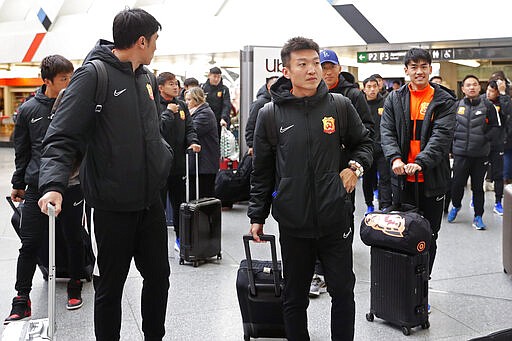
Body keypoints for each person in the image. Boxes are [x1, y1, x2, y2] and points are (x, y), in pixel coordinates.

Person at [37, 8, 173, 341]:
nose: (156, 46)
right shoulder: (93, 75)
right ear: (142, 41)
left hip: (149, 202)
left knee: (159, 278)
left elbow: (151, 130)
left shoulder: (145, 78)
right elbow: (62, 135)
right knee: (110, 287)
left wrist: (162, 156)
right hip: (112, 206)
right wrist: (53, 185)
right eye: (154, 40)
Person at [248, 36, 372, 341]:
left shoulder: (339, 106)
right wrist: (257, 215)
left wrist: (355, 167)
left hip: (336, 217)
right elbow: (262, 170)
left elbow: (366, 143)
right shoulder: (270, 114)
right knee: (295, 295)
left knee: (343, 292)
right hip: (293, 220)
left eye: (315, 63)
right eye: (302, 64)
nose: (312, 69)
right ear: (287, 71)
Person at [4, 54, 86, 324]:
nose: (68, 83)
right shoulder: (28, 110)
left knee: (74, 237)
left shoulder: (74, 105)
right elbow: (23, 151)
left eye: (70, 78)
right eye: (64, 79)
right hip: (37, 186)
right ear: (47, 80)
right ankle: (21, 298)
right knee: (29, 243)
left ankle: (75, 283)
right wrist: (18, 183)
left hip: (72, 185)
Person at [381, 48, 456, 278]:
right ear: (406, 71)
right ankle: (403, 285)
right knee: (403, 232)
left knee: (429, 234)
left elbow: (441, 138)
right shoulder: (395, 98)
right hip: (403, 180)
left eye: (424, 66)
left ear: (430, 69)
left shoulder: (444, 99)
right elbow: (387, 131)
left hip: (431, 180)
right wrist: (395, 158)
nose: (419, 71)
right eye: (414, 67)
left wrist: (421, 162)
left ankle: (423, 283)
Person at [308, 48, 374, 298]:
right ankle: (316, 271)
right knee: (314, 217)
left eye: (330, 67)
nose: (325, 72)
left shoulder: (353, 95)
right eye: (321, 66)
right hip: (317, 171)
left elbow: (367, 131)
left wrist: (353, 163)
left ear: (338, 68)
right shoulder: (311, 94)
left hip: (345, 170)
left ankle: (335, 270)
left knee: (342, 217)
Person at [447, 75, 500, 230]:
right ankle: (456, 205)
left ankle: (478, 216)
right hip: (460, 154)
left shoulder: (488, 106)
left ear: (479, 87)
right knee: (457, 184)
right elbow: (449, 128)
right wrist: (451, 148)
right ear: (463, 89)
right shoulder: (456, 106)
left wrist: (485, 139)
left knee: (478, 187)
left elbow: (496, 127)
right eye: (468, 85)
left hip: (480, 155)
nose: (472, 87)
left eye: (475, 84)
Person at [158, 72, 200, 251]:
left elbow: (190, 128)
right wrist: (168, 112)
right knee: (158, 207)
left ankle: (181, 239)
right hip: (159, 166)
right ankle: (157, 242)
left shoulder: (182, 105)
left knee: (179, 204)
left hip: (179, 165)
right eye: (170, 84)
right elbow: (157, 130)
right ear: (160, 88)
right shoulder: (154, 105)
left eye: (176, 84)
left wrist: (193, 141)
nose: (176, 87)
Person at [362, 76, 392, 213]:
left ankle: (385, 206)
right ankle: (369, 204)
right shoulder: (360, 105)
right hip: (366, 150)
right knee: (368, 179)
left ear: (379, 87)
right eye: (369, 87)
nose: (372, 89)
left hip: (382, 148)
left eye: (374, 86)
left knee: (385, 179)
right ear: (364, 89)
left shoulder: (386, 103)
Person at [184, 87, 220, 199]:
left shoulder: (205, 114)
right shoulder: (197, 112)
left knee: (204, 197)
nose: (186, 103)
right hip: (200, 164)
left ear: (197, 99)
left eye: (189, 100)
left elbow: (191, 130)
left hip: (204, 164)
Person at [485, 79, 510, 215]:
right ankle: (474, 198)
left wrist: (503, 94)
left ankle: (498, 201)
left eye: (493, 91)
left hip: (498, 143)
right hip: (483, 144)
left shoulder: (504, 102)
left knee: (498, 174)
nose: (489, 93)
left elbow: (508, 115)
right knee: (478, 174)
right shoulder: (482, 101)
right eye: (488, 90)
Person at [245, 76, 278, 156]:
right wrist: (251, 145)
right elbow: (251, 124)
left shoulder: (278, 102)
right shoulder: (259, 103)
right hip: (261, 145)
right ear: (269, 87)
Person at [201, 66, 231, 139]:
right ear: (209, 76)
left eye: (219, 77)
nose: (216, 79)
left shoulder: (224, 89)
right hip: (205, 120)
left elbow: (226, 105)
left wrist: (223, 118)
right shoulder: (202, 88)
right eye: (214, 76)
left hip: (219, 121)